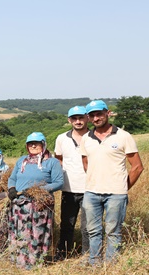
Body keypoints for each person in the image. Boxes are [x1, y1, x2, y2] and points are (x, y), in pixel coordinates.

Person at [80, 100, 144, 266]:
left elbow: (137, 167)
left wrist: (122, 187)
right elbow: (86, 163)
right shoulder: (86, 138)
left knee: (113, 232)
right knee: (93, 231)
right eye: (92, 115)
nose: (96, 118)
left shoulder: (123, 136)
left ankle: (111, 266)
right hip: (91, 193)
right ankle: (95, 264)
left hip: (116, 194)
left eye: (99, 114)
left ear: (107, 113)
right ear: (88, 118)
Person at [7, 133, 64, 268]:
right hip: (20, 205)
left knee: (37, 234)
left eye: (37, 143)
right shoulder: (22, 161)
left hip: (40, 205)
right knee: (20, 233)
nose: (33, 146)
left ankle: (35, 263)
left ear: (43, 145)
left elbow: (59, 182)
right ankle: (20, 262)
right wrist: (12, 189)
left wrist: (38, 190)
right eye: (30, 143)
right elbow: (12, 178)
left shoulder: (52, 162)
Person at [54, 106, 90, 260]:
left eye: (81, 118)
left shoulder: (94, 136)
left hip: (90, 189)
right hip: (68, 189)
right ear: (69, 120)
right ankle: (63, 254)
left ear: (87, 118)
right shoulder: (61, 138)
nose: (78, 121)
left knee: (87, 227)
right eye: (74, 118)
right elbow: (58, 160)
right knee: (67, 225)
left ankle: (88, 256)